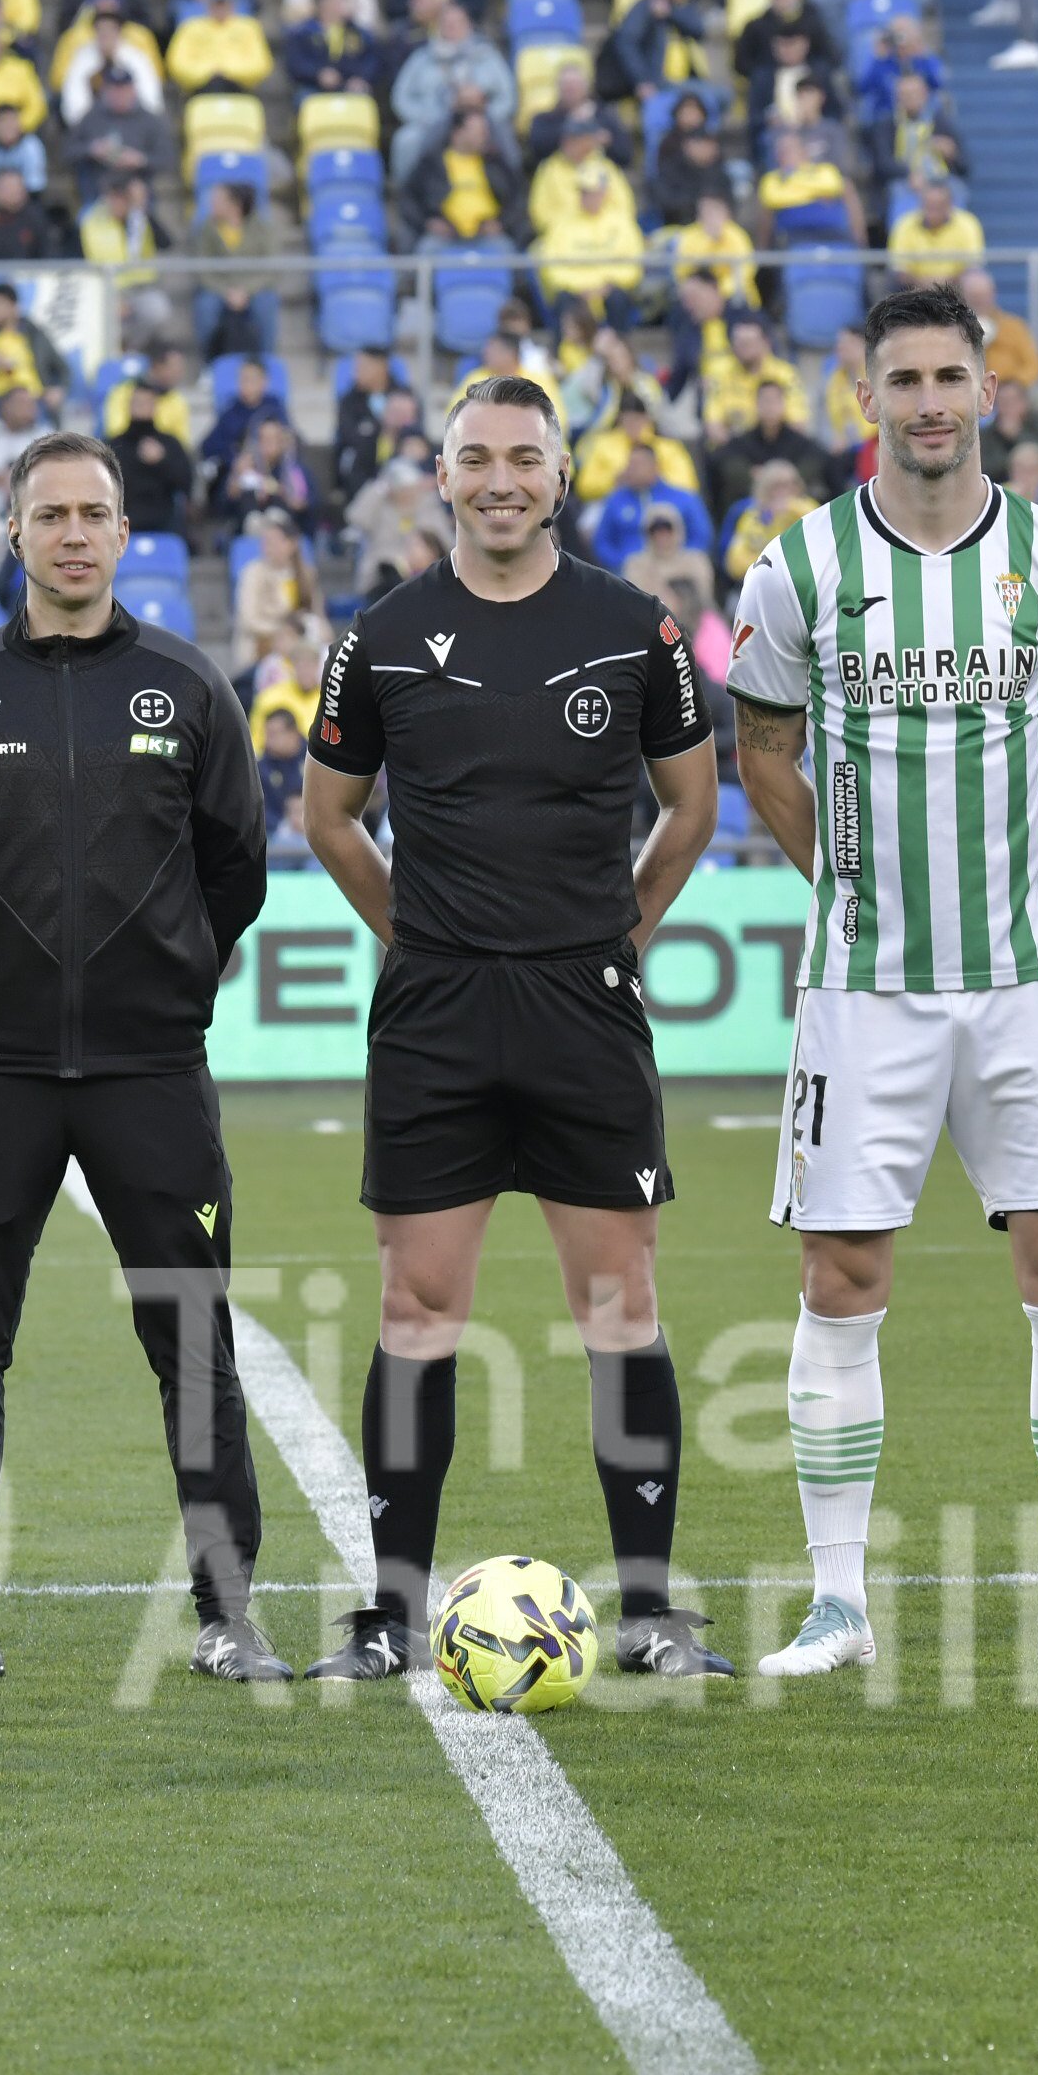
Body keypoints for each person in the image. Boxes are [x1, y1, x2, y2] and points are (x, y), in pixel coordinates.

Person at [717, 284, 1038, 1680]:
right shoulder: (796, 571)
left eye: (948, 378)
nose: (927, 403)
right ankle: (835, 1603)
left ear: (986, 392)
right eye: (901, 380)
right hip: (865, 986)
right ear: (865, 400)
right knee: (842, 1274)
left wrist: (1010, 870)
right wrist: (852, 883)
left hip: (1026, 978)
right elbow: (765, 758)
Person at [293, 373, 730, 1682]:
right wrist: (415, 932)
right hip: (437, 1012)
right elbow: (329, 816)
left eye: (523, 458)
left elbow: (691, 804)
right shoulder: (381, 635)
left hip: (582, 1007)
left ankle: (649, 1613)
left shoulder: (631, 628)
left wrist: (621, 933)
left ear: (560, 476)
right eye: (476, 457)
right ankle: (388, 1618)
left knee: (620, 1300)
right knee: (417, 1304)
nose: (499, 480)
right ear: (440, 477)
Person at [0, 431, 281, 1684]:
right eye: (50, 515)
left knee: (192, 1345)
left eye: (94, 514)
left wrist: (165, 988)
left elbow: (237, 872)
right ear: (13, 533)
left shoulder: (187, 687)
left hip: (152, 1074)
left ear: (123, 530)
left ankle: (227, 1617)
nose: (74, 535)